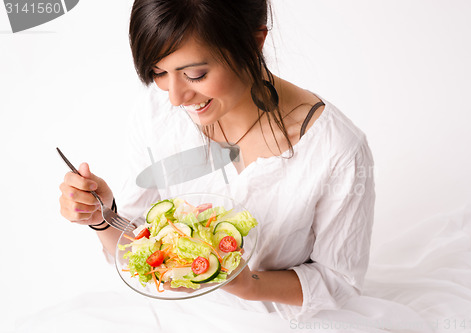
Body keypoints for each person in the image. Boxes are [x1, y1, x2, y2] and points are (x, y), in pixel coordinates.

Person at [58, 0, 375, 325]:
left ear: (255, 42)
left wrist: (248, 285)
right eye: (159, 73)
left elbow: (340, 283)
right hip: (166, 315)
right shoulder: (157, 114)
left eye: (195, 74)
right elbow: (134, 249)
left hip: (274, 320)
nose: (175, 97)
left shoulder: (337, 150)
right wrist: (102, 216)